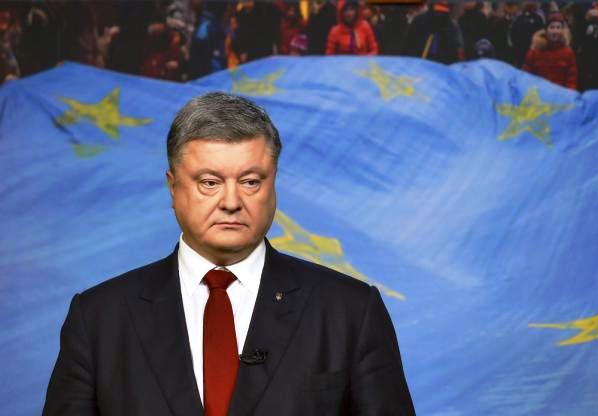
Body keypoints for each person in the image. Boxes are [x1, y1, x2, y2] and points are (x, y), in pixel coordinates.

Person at [42, 92, 415, 415]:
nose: (232, 202)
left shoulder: (351, 312)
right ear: (173, 187)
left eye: (251, 182)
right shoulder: (98, 319)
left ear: (273, 185)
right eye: (210, 182)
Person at [523, 12, 577, 90]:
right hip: (539, 93)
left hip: (560, 94)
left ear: (562, 30)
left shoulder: (568, 53)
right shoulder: (535, 52)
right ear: (546, 30)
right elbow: (526, 75)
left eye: (558, 27)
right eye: (552, 27)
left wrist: (569, 93)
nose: (555, 31)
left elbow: (571, 78)